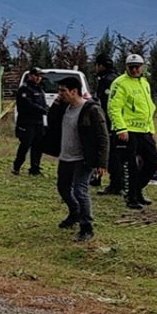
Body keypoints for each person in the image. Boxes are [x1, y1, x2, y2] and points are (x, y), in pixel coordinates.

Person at [42, 77, 109, 242]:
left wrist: (101, 162)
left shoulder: (91, 110)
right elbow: (51, 122)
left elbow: (103, 136)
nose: (60, 94)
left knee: (80, 190)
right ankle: (75, 213)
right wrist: (56, 105)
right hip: (66, 156)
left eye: (63, 90)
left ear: (74, 91)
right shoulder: (64, 107)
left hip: (83, 158)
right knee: (63, 188)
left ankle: (86, 227)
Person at [108, 54, 157, 210]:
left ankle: (137, 189)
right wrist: (121, 129)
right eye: (131, 67)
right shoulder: (120, 83)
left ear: (143, 67)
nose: (135, 70)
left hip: (144, 130)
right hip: (128, 131)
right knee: (131, 166)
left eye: (137, 67)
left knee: (153, 162)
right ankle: (131, 197)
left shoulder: (144, 82)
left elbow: (147, 107)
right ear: (126, 67)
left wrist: (150, 128)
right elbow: (113, 108)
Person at [93, 54, 124, 195]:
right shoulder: (118, 78)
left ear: (101, 66)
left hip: (110, 123)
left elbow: (106, 105)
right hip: (120, 122)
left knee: (111, 154)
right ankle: (118, 183)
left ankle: (115, 185)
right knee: (118, 154)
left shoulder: (107, 81)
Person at [12, 67, 48, 176]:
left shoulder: (40, 89)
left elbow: (43, 104)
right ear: (30, 76)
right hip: (27, 122)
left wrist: (48, 109)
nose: (38, 78)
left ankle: (35, 168)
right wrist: (43, 110)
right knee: (25, 145)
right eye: (36, 75)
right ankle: (17, 166)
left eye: (40, 76)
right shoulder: (25, 89)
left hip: (38, 122)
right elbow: (28, 105)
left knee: (38, 146)